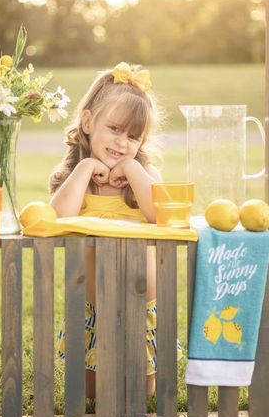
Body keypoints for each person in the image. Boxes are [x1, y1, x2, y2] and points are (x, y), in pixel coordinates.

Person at [49, 61, 180, 399]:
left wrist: (133, 169)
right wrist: (86, 167)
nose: (122, 142)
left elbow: (161, 214)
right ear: (89, 122)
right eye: (115, 129)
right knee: (92, 392)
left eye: (134, 137)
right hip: (91, 307)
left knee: (142, 392)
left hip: (142, 304)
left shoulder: (143, 179)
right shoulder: (75, 180)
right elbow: (58, 218)